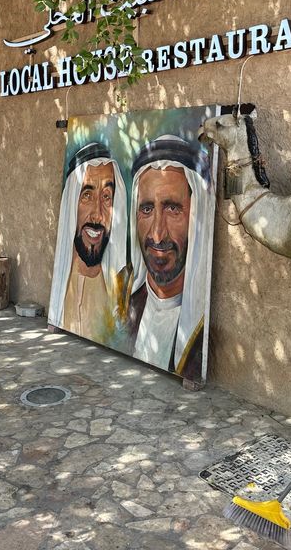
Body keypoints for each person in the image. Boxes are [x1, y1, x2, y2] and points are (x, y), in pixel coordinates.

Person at [124, 135, 213, 380]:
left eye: (173, 209)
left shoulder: (202, 329)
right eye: (146, 209)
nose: (157, 234)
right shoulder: (124, 305)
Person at [48, 142, 128, 342]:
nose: (97, 214)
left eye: (106, 197)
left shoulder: (125, 295)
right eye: (87, 195)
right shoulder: (63, 286)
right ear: (72, 203)